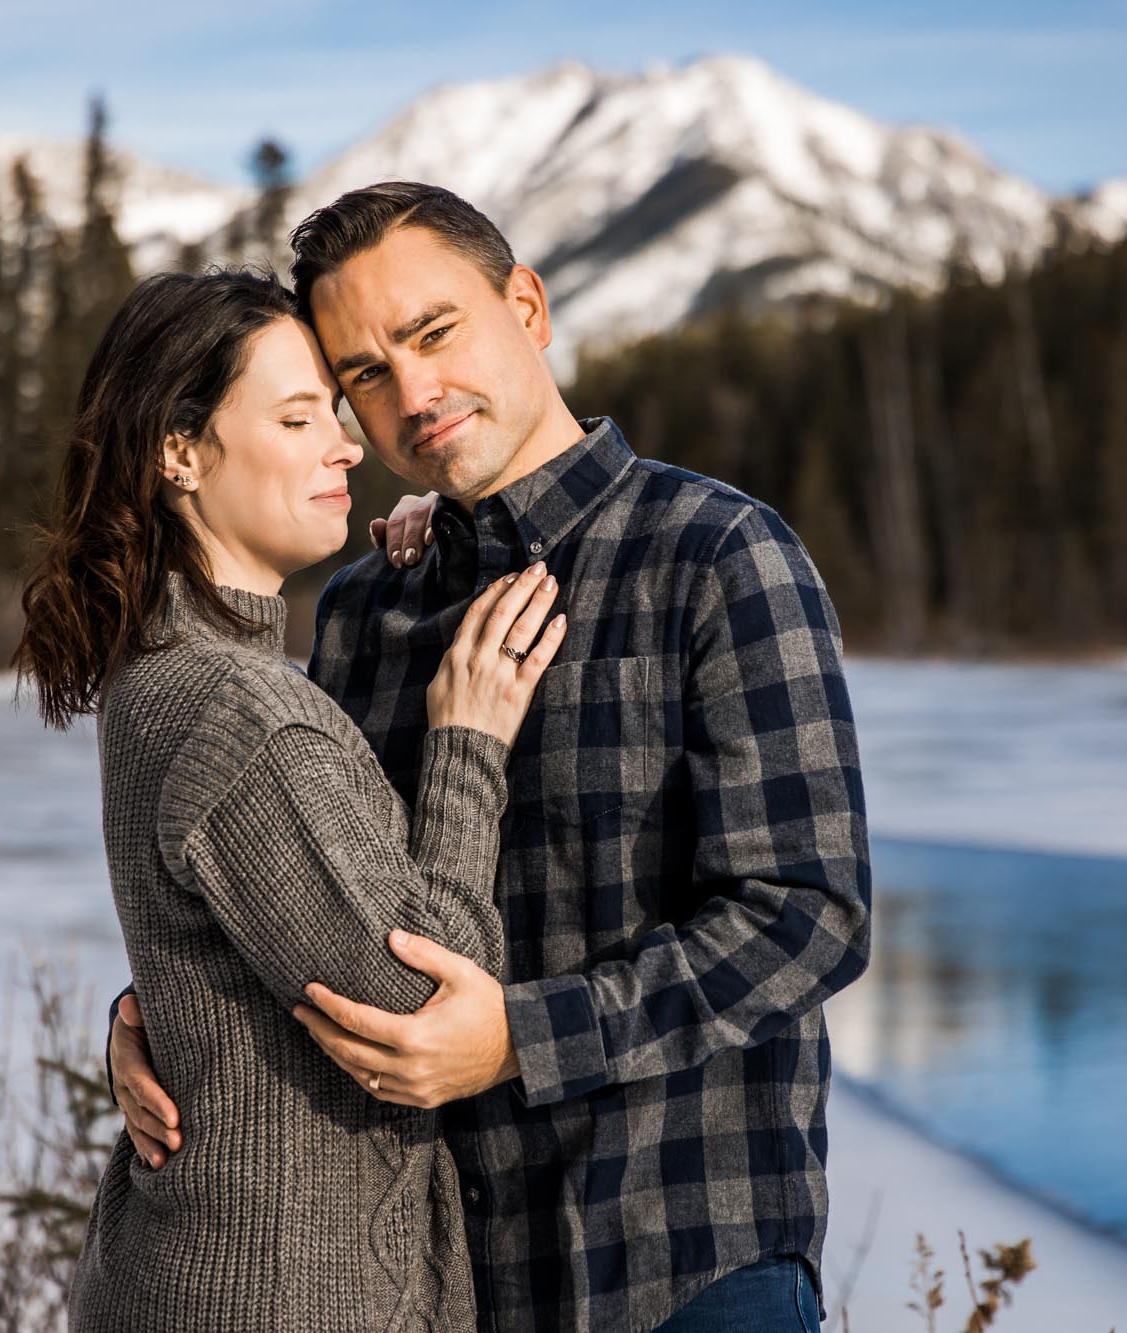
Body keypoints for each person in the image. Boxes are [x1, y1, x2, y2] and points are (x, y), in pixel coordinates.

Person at [101, 182, 873, 1333]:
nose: (411, 394)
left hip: (685, 1254)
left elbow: (808, 914)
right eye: (363, 371)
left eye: (432, 333)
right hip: (450, 1280)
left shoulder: (715, 554)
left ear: (526, 304)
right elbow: (324, 894)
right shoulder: (368, 606)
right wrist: (160, 1007)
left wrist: (520, 1037)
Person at [11, 268, 568, 1332]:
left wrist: (143, 1016)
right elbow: (418, 1000)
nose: (348, 445)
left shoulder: (169, 671)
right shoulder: (242, 709)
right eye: (296, 415)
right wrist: (467, 746)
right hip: (273, 1295)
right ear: (179, 452)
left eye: (336, 412)